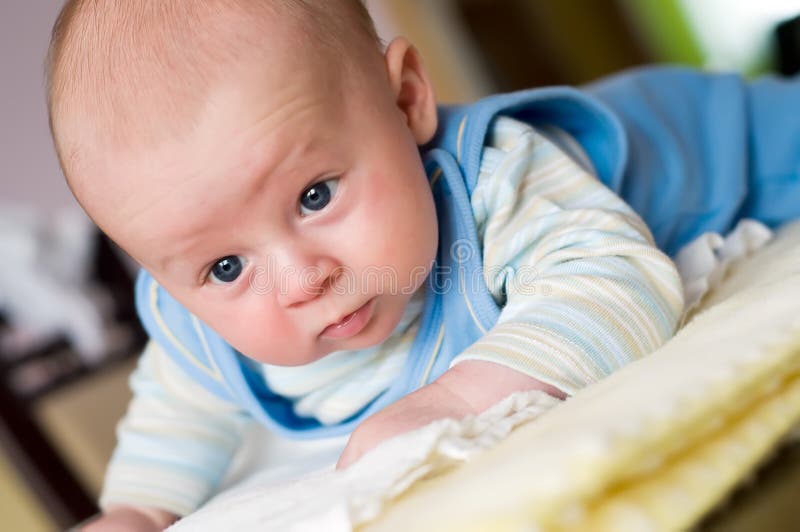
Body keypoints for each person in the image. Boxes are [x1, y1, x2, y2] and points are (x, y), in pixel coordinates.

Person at [45, 1, 800, 530]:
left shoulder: (495, 186)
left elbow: (617, 279)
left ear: (406, 100)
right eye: (224, 269)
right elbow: (176, 409)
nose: (301, 279)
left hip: (724, 143)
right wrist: (139, 509)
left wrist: (455, 401)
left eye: (313, 195)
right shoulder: (194, 321)